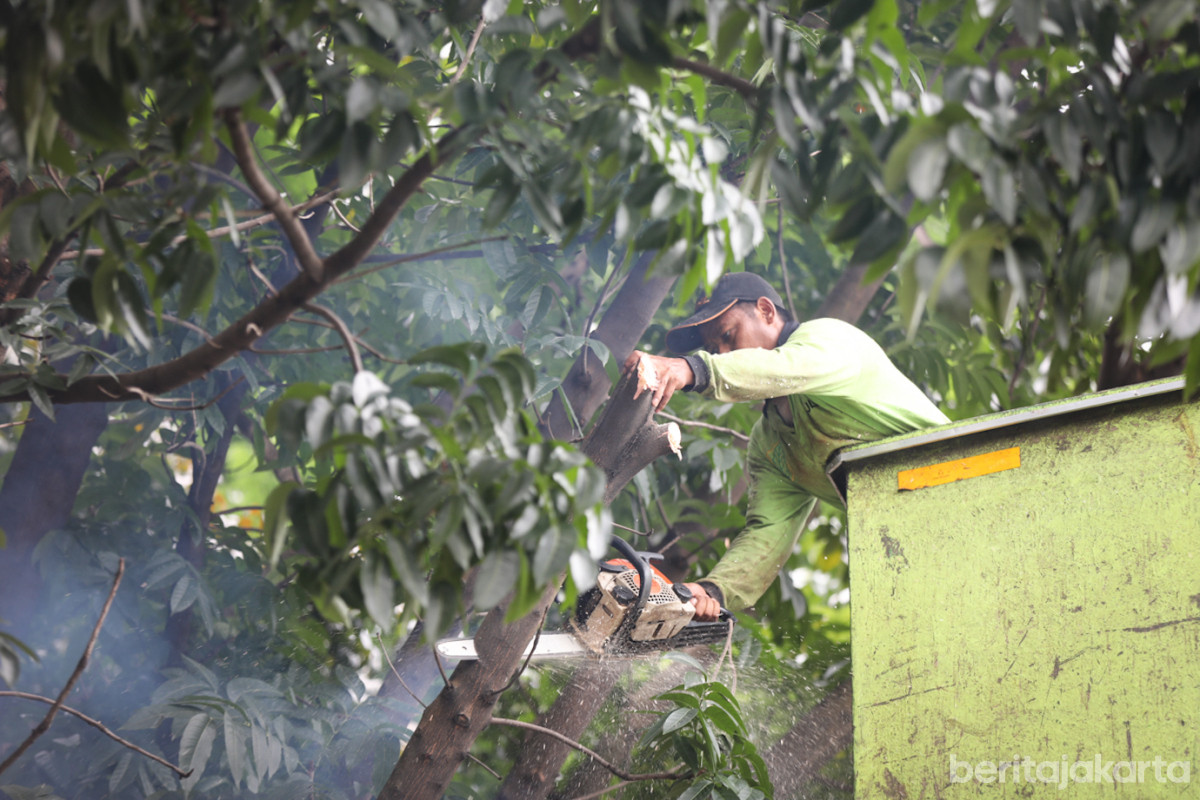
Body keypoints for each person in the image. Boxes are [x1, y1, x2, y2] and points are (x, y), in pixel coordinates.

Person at [624, 272, 949, 621]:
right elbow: (769, 532)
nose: (722, 353)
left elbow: (784, 368)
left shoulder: (828, 337)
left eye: (729, 336)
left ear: (766, 311)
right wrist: (715, 591)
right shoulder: (770, 444)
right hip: (920, 541)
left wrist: (695, 369)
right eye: (713, 349)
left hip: (973, 476)